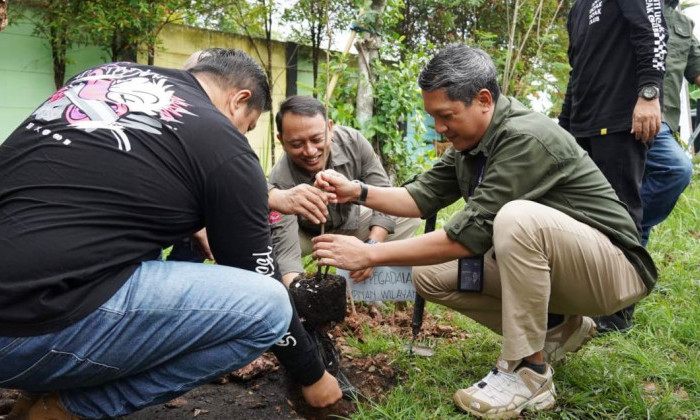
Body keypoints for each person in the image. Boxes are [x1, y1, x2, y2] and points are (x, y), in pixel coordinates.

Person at [312, 44, 657, 419]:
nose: (439, 128)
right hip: (566, 268)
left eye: (446, 115)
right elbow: (420, 196)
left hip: (613, 270)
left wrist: (370, 254)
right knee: (429, 276)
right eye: (433, 117)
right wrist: (358, 191)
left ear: (483, 100)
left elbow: (465, 237)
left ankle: (529, 372)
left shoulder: (524, 137)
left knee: (516, 219)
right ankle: (560, 327)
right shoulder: (470, 143)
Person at [0, 49, 340, 420]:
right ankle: (65, 411)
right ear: (240, 100)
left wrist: (195, 224)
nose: (241, 134)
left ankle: (35, 395)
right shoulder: (223, 140)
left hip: (19, 305)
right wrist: (311, 373)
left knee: (90, 254)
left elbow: (105, 186)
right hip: (21, 333)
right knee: (269, 306)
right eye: (249, 125)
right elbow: (257, 275)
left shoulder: (101, 79)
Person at [544, 0, 668, 333]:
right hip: (582, 127)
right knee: (578, 217)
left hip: (621, 121)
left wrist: (649, 93)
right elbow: (577, 73)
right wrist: (561, 129)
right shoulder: (579, 7)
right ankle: (582, 300)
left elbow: (652, 30)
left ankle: (618, 312)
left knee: (621, 214)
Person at [268, 95, 421, 287]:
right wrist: (300, 294)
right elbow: (287, 255)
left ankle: (372, 286)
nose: (310, 151)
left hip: (351, 221)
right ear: (282, 140)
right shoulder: (280, 179)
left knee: (408, 214)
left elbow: (383, 192)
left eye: (317, 139)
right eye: (297, 144)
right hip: (305, 234)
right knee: (270, 251)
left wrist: (371, 250)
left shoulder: (354, 143)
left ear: (330, 128)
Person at [639, 0, 699, 245]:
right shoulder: (630, 7)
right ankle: (621, 230)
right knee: (677, 169)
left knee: (650, 187)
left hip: (664, 125)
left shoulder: (684, 24)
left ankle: (627, 279)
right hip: (627, 119)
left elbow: (696, 70)